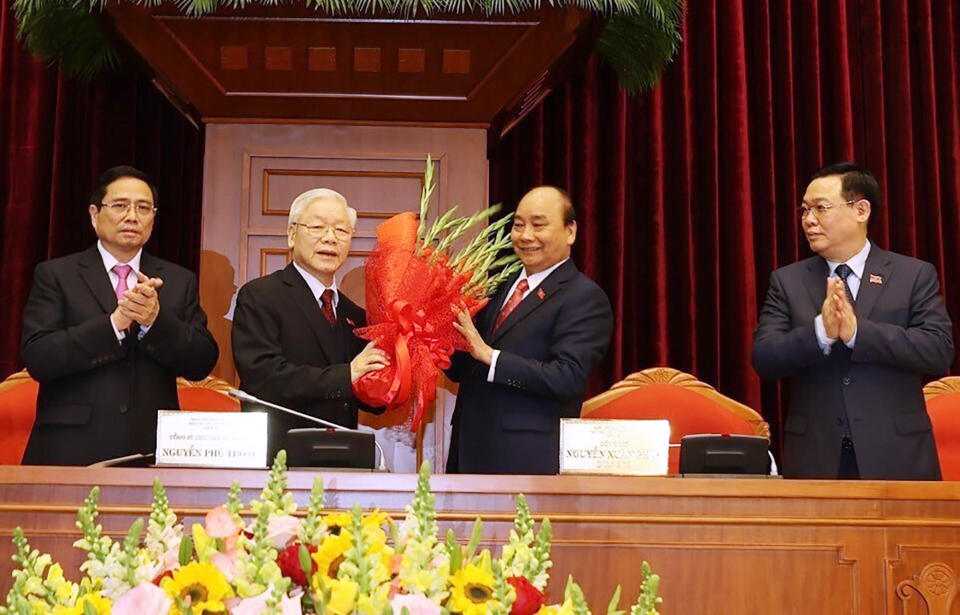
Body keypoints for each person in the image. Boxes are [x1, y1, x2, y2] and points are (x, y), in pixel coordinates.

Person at [752, 162, 954, 480]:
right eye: (804, 210)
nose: (808, 220)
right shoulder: (787, 281)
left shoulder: (913, 274)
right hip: (816, 457)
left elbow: (937, 350)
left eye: (821, 208)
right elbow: (765, 358)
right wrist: (820, 332)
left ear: (861, 210)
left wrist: (857, 332)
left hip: (897, 456)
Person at [20, 166, 219, 465]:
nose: (132, 216)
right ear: (93, 214)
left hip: (150, 448)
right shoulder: (57, 274)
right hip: (69, 447)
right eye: (120, 206)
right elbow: (39, 357)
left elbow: (201, 361)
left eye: (143, 208)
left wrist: (155, 321)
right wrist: (114, 324)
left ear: (153, 218)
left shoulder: (178, 280)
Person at [448, 186, 613, 474]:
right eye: (518, 225)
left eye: (538, 225)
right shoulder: (497, 284)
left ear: (570, 231)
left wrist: (492, 357)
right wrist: (436, 337)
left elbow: (567, 377)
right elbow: (467, 366)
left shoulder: (583, 297)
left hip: (527, 460)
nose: (525, 236)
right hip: (469, 449)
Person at [231, 188, 388, 458]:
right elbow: (263, 377)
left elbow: (368, 398)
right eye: (317, 227)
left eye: (341, 230)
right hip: (278, 457)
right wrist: (346, 375)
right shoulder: (261, 296)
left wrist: (393, 375)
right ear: (292, 235)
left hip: (343, 456)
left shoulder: (355, 315)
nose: (330, 238)